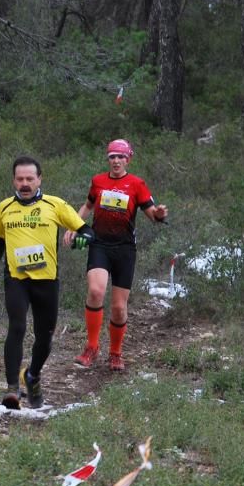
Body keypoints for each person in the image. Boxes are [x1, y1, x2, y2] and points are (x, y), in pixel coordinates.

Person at [0, 155, 94, 410]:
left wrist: (83, 239)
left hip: (47, 281)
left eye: (30, 178)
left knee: (44, 337)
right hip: (16, 279)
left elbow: (86, 230)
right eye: (20, 179)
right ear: (13, 180)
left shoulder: (55, 205)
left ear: (39, 179)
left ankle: (32, 375)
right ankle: (11, 389)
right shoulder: (5, 207)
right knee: (16, 327)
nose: (25, 183)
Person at [64, 139, 168, 372]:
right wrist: (74, 225)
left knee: (119, 308)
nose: (116, 161)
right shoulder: (98, 181)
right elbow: (88, 206)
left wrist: (159, 214)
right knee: (95, 291)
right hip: (99, 244)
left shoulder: (136, 184)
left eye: (121, 157)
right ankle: (91, 347)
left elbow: (152, 215)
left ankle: (115, 352)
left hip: (124, 249)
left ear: (128, 159)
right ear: (108, 159)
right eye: (112, 156)